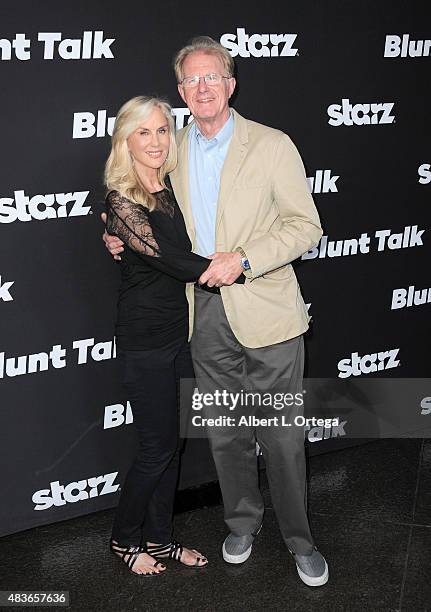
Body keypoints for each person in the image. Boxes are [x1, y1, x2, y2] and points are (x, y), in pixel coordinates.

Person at [104, 37, 329, 587]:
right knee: (226, 431)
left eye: (213, 77)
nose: (202, 87)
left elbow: (306, 226)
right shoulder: (171, 148)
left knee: (279, 434)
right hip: (201, 314)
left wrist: (245, 259)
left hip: (267, 310)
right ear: (181, 91)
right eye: (191, 80)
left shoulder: (273, 144)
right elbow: (136, 196)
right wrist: (114, 233)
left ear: (230, 84)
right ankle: (242, 523)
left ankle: (300, 540)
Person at [103, 95, 243, 575]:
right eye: (144, 132)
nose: (157, 141)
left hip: (178, 331)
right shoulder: (120, 198)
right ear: (126, 139)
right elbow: (168, 258)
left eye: (163, 130)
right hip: (144, 338)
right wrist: (232, 269)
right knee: (156, 447)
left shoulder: (168, 187)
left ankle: (160, 541)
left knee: (174, 443)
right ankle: (124, 540)